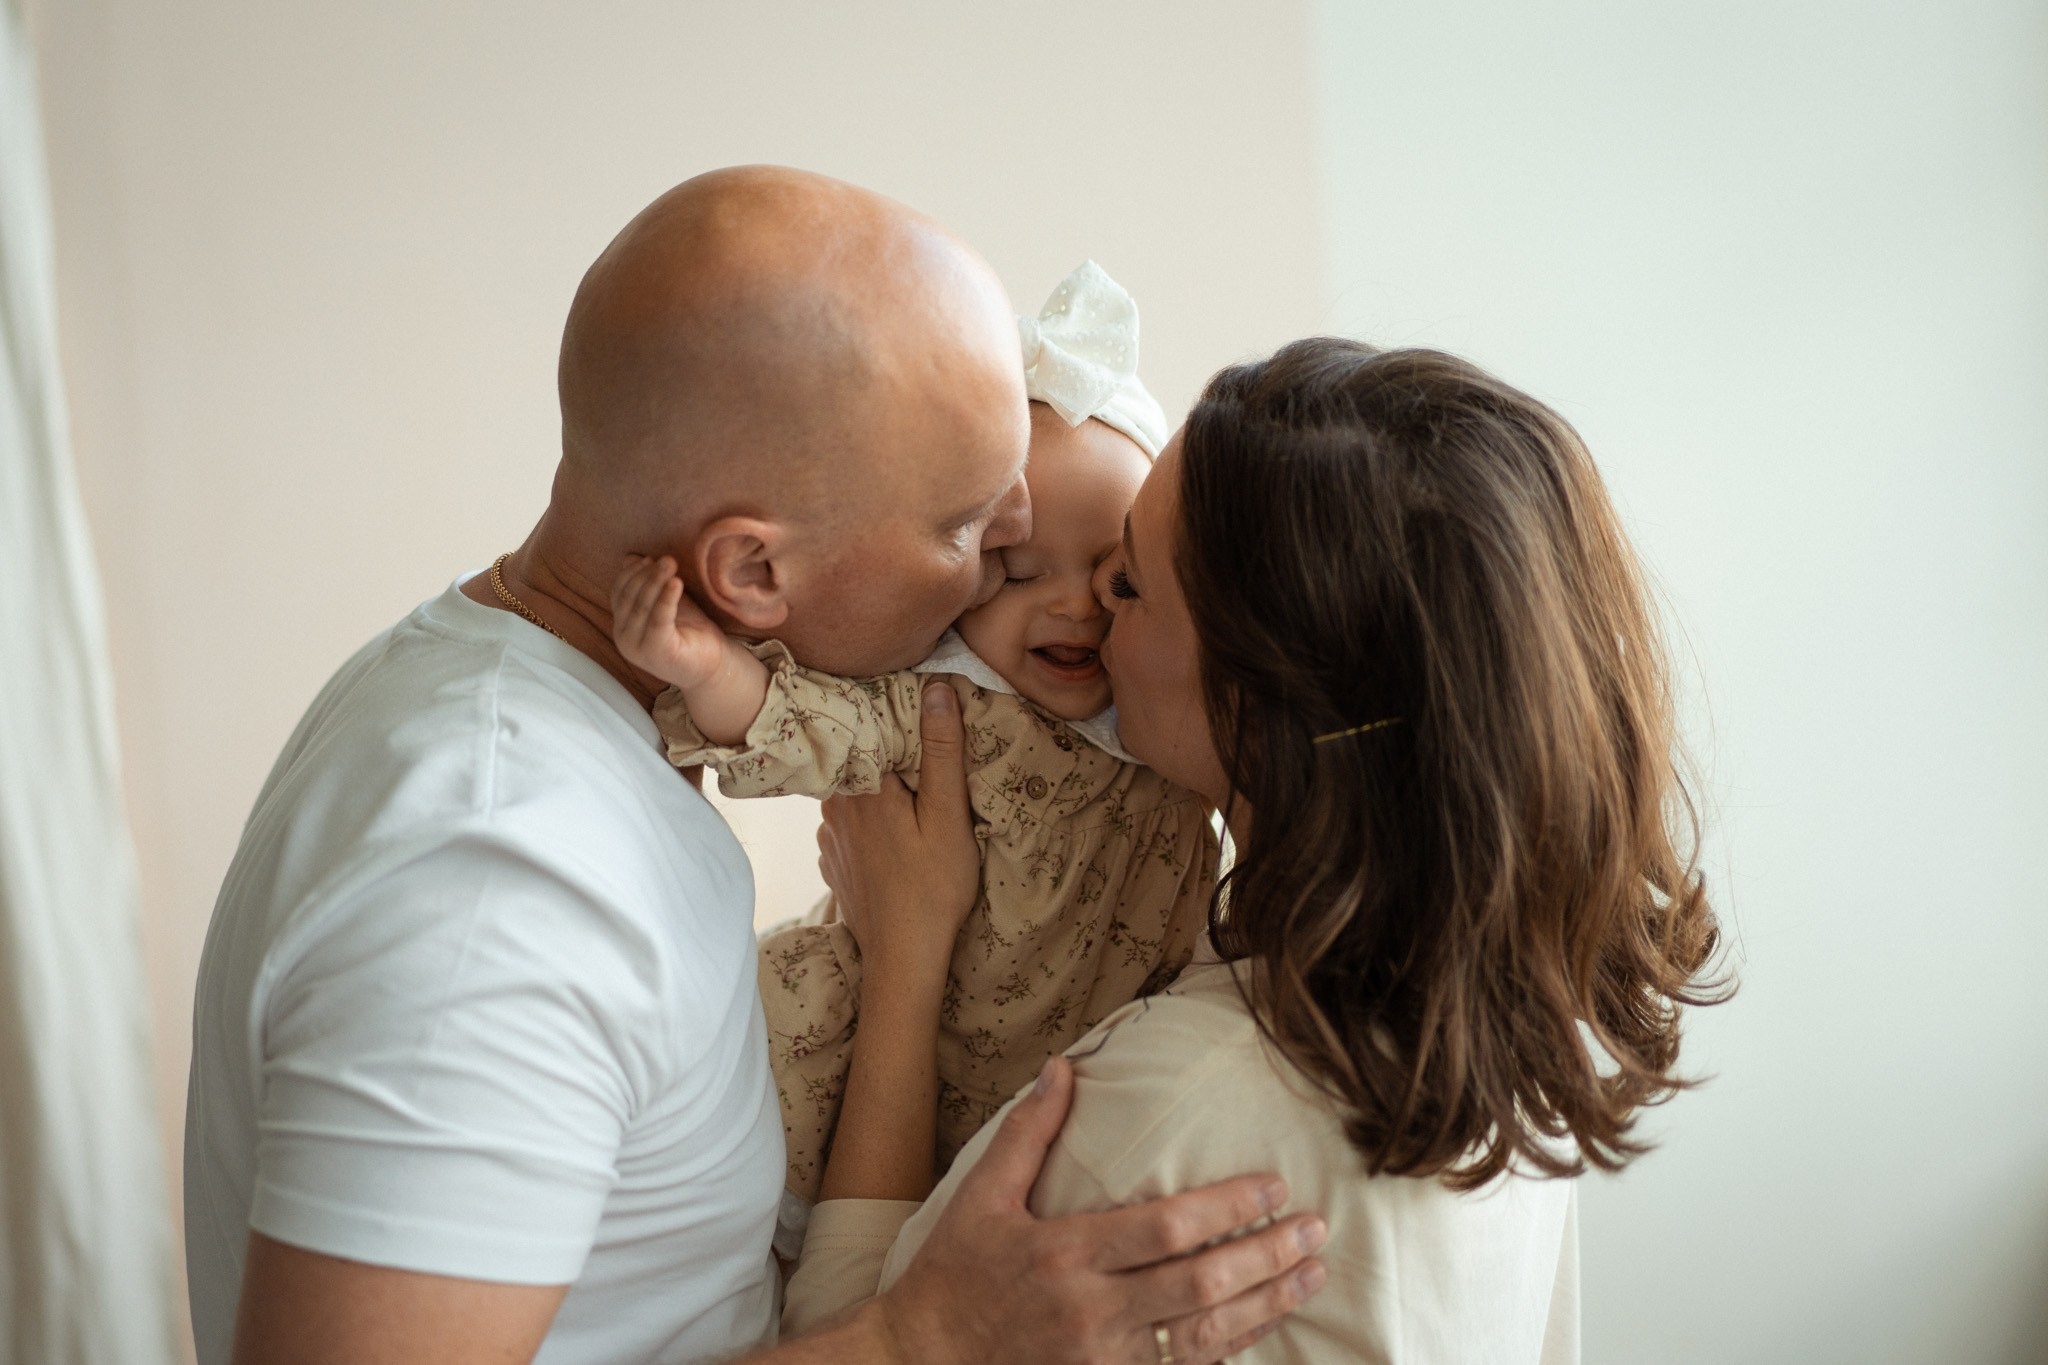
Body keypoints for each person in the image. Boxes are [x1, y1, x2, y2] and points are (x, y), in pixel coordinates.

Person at [182, 167, 1326, 1365]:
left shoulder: (537, 710)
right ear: (754, 577)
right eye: (964, 528)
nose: (1010, 550)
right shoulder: (496, 878)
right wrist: (922, 1339)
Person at [780, 338, 1729, 1361]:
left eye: (1128, 585)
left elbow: (843, 1326)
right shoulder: (1506, 1044)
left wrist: (905, 959)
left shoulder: (1154, 1127)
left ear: (1254, 695)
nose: (1090, 613)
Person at [610, 261, 1218, 1239]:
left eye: (1111, 578)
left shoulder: (1172, 739)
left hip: (1067, 1072)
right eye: (1014, 571)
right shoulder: (947, 709)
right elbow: (808, 720)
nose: (1067, 606)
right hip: (881, 1045)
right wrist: (699, 665)